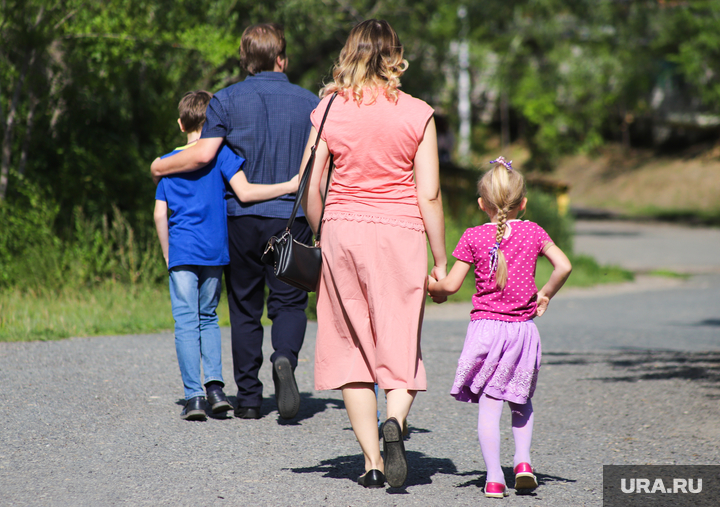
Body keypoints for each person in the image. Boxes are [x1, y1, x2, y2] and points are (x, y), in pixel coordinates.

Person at [299, 20, 447, 489]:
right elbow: (430, 194)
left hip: (343, 228)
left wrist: (323, 232)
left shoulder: (328, 111)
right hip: (402, 233)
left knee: (351, 345)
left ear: (350, 53)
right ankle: (396, 423)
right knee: (399, 339)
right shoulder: (418, 113)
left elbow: (311, 183)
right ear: (395, 56)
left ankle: (372, 463)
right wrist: (441, 261)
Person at [151, 24, 319, 421]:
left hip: (240, 220)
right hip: (291, 217)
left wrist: (158, 164)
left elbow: (202, 154)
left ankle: (247, 399)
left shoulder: (224, 101)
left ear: (244, 60)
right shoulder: (311, 103)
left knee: (244, 306)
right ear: (283, 58)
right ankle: (284, 358)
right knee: (289, 302)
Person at [427, 156, 572, 498]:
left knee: (490, 407)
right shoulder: (534, 231)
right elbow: (563, 265)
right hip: (522, 332)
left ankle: (494, 478)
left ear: (482, 204)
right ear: (523, 203)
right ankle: (522, 462)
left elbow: (448, 287)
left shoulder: (472, 237)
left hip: (487, 331)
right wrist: (546, 293)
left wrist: (429, 284)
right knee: (521, 402)